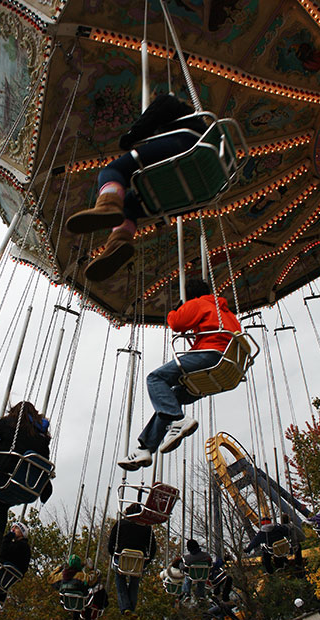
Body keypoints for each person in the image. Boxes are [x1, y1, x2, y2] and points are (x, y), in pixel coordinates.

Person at [66, 93, 207, 281]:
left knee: (112, 170)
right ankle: (119, 243)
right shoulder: (204, 130)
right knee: (128, 206)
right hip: (202, 188)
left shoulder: (171, 103)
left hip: (184, 149)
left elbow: (155, 112)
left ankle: (107, 205)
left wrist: (132, 136)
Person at [119, 278, 241, 470]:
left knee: (155, 378)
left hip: (209, 356)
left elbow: (176, 323)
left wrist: (178, 309)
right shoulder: (227, 313)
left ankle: (178, 419)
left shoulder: (199, 303)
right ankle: (146, 447)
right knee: (172, 396)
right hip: (227, 365)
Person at [0, 402, 52, 568]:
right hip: (28, 487)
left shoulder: (9, 423)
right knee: (2, 505)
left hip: (6, 477)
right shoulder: (42, 436)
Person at [108, 503, 156, 615]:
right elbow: (152, 547)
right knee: (134, 583)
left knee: (120, 581)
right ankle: (132, 607)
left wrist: (113, 553)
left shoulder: (121, 524)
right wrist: (148, 560)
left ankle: (125, 607)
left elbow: (111, 542)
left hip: (122, 558)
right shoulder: (146, 528)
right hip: (138, 561)